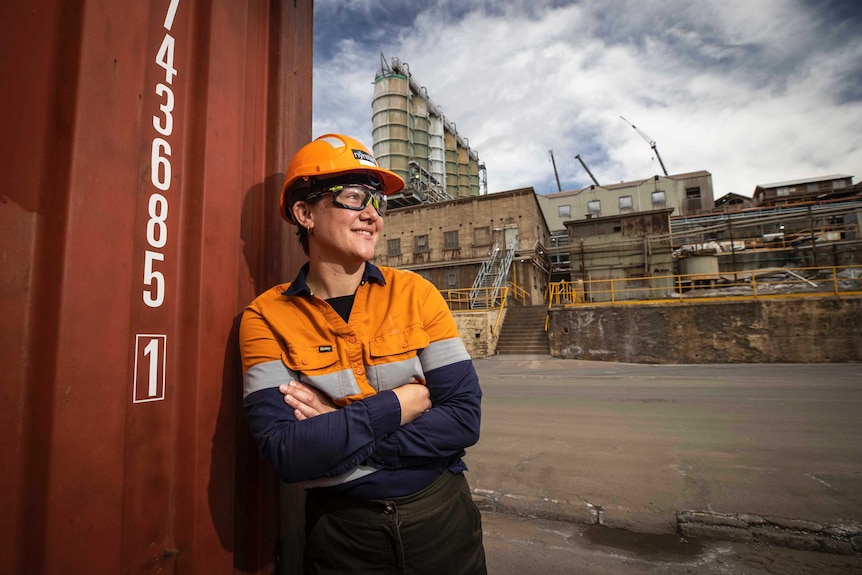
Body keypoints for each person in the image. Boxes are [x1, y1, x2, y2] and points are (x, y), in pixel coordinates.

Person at [240, 133, 487, 574]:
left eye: (376, 201)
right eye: (353, 197)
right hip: (342, 535)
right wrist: (397, 404)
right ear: (305, 213)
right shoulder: (265, 317)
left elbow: (464, 420)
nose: (372, 214)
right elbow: (287, 452)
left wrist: (337, 425)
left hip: (441, 518)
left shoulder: (417, 294)